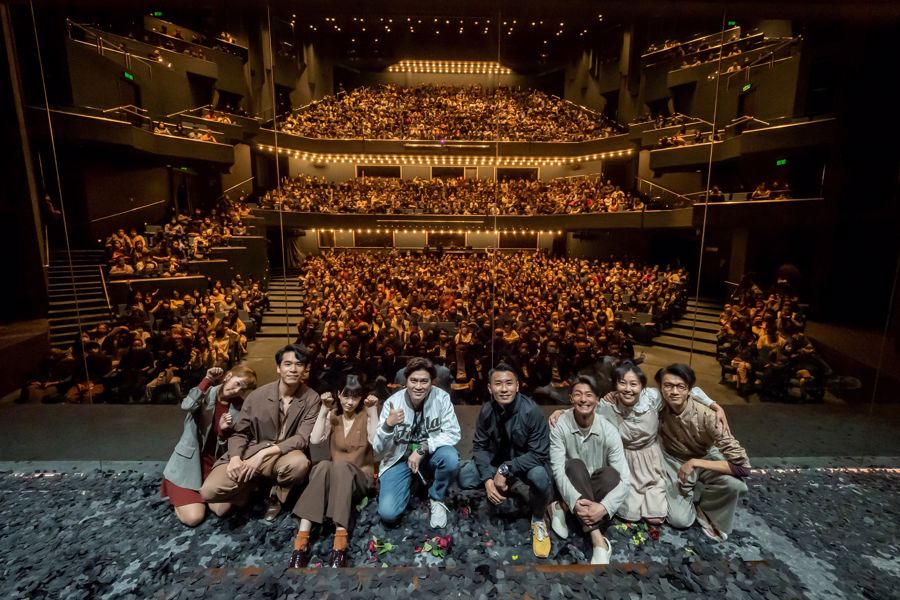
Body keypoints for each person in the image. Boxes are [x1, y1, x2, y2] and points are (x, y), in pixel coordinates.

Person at [200, 344, 320, 521]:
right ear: (278, 368)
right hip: (252, 451)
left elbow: (302, 438)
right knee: (209, 491)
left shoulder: (312, 398)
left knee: (299, 464)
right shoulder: (257, 396)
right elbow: (240, 433)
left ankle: (276, 495)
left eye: (299, 364)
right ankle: (254, 486)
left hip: (283, 455)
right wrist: (235, 458)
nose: (293, 369)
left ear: (305, 369)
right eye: (287, 364)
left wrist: (264, 454)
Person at [457, 363, 554, 558]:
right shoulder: (486, 410)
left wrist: (506, 469)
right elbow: (480, 446)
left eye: (509, 383)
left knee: (540, 476)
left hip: (525, 465)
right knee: (465, 477)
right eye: (498, 384)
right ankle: (512, 487)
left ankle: (538, 519)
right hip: (497, 465)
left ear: (517, 386)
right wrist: (487, 480)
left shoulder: (531, 411)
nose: (503, 389)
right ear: (489, 388)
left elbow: (538, 454)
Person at [289, 375, 379, 568]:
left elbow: (375, 442)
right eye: (346, 396)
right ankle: (301, 542)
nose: (350, 402)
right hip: (335, 478)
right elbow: (314, 440)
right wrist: (323, 409)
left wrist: (373, 412)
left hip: (359, 478)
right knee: (322, 465)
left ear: (362, 398)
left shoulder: (366, 414)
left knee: (339, 466)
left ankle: (339, 544)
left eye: (355, 397)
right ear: (339, 394)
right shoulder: (334, 416)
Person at [657, 363, 751, 540]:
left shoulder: (708, 416)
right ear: (661, 388)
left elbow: (743, 468)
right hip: (672, 458)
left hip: (703, 456)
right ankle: (689, 491)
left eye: (681, 387)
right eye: (668, 386)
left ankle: (706, 507)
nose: (674, 392)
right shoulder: (658, 405)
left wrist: (695, 462)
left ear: (689, 390)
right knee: (679, 520)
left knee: (735, 485)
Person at [548, 374, 630, 564]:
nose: (583, 399)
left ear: (598, 400)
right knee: (574, 465)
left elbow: (625, 480)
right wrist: (576, 501)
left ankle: (561, 506)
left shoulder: (609, 430)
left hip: (595, 485)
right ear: (571, 399)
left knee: (611, 475)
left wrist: (603, 507)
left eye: (589, 395)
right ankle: (598, 540)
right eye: (578, 394)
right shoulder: (560, 425)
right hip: (572, 480)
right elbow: (558, 471)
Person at [161, 365, 257, 526]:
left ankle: (209, 495)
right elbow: (187, 406)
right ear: (228, 376)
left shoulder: (241, 407)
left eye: (243, 389)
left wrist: (223, 432)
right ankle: (183, 494)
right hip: (190, 463)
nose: (237, 390)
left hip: (215, 463)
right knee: (194, 518)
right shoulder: (206, 392)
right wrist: (207, 380)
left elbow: (237, 442)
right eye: (238, 383)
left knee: (222, 510)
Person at [373, 357, 460, 529]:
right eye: (413, 381)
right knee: (388, 514)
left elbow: (453, 433)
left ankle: (436, 497)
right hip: (399, 460)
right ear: (406, 381)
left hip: (429, 456)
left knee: (450, 457)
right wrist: (387, 426)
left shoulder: (441, 398)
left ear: (431, 382)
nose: (418, 386)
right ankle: (412, 483)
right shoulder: (393, 403)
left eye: (424, 381)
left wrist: (423, 447)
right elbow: (377, 451)